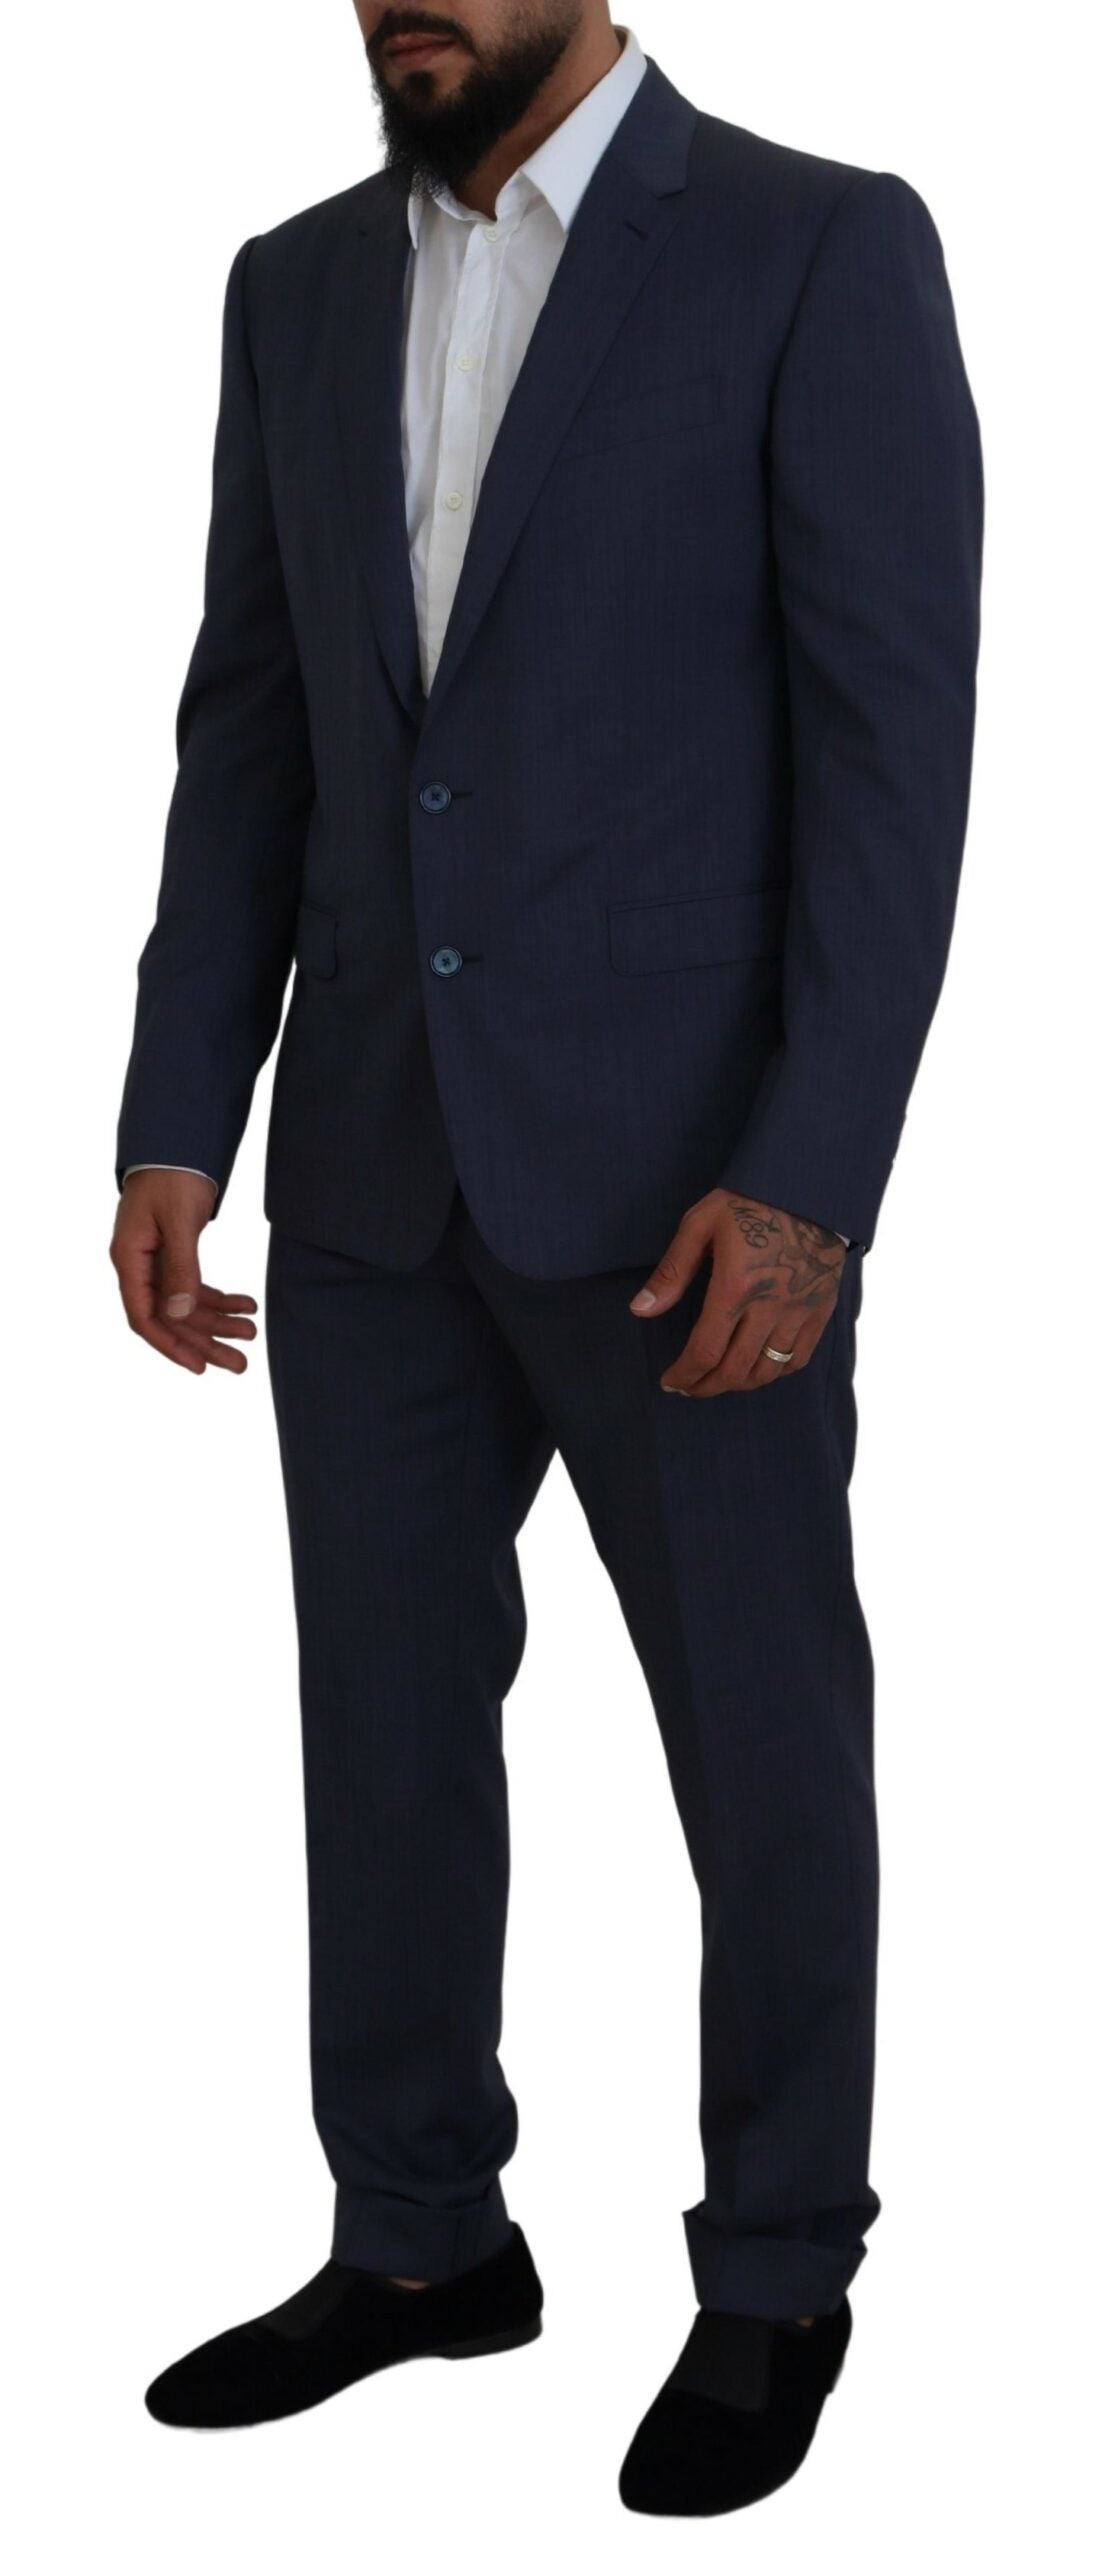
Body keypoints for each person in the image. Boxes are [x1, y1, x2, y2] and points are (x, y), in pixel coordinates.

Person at [110, 4, 983, 2516]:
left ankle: (780, 2267)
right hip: (369, 1175)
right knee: (381, 1732)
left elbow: (895, 756)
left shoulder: (817, 249)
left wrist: (813, 1174)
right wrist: (180, 1113)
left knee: (763, 1742)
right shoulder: (291, 285)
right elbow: (250, 732)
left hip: (692, 1191)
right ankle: (419, 2237)